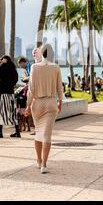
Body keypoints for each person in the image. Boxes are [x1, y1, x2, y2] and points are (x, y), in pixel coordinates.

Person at [25, 44, 63, 174]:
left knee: (38, 133)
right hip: (51, 102)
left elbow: (31, 90)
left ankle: (39, 160)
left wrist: (28, 105)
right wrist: (60, 102)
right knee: (47, 135)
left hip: (38, 104)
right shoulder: (56, 67)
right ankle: (44, 165)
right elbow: (60, 88)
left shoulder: (35, 67)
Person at [0, 55, 20, 138]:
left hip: (2, 93)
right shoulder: (14, 71)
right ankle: (17, 132)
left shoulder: (2, 69)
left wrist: (0, 61)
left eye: (2, 59)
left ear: (4, 61)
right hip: (11, 93)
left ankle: (0, 132)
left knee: (1, 112)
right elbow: (16, 80)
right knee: (13, 112)